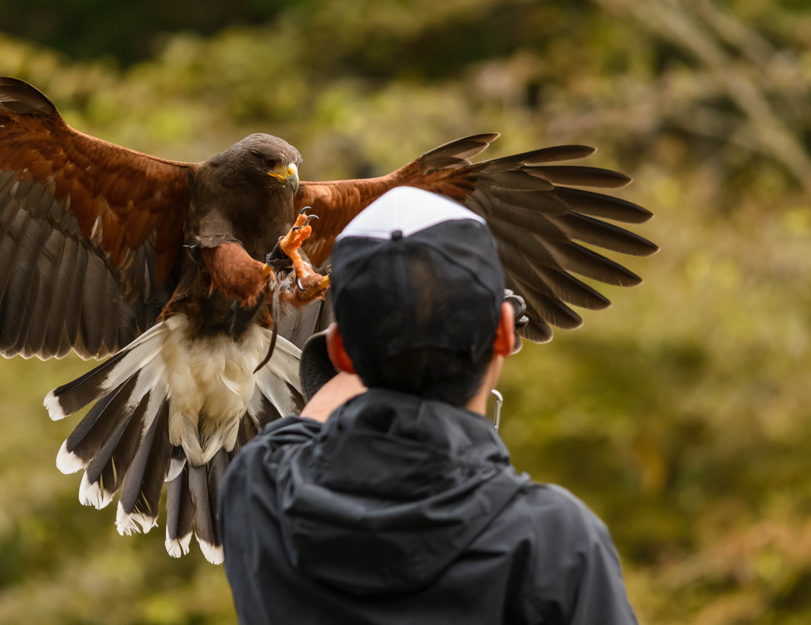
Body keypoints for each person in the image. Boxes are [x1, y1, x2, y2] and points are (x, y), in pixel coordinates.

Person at [217, 186, 637, 624]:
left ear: (342, 352)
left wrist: (381, 333)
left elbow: (302, 430)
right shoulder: (553, 543)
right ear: (506, 334)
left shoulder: (260, 489)